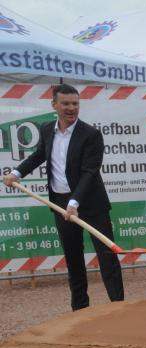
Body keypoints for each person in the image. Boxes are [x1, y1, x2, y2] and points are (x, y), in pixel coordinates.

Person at [2, 84, 124, 311]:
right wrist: (17, 173)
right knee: (73, 257)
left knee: (107, 255)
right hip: (59, 202)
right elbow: (39, 155)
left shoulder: (91, 134)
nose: (71, 108)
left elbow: (90, 172)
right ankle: (79, 309)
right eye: (66, 103)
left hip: (90, 203)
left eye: (75, 104)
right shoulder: (48, 129)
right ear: (54, 105)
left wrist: (74, 203)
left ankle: (118, 307)